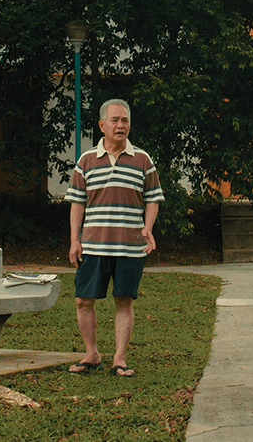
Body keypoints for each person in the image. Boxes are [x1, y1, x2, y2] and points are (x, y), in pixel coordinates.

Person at [65, 99, 165, 377]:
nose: (121, 125)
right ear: (102, 125)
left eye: (125, 121)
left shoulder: (143, 160)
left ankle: (119, 358)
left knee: (124, 301)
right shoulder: (86, 161)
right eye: (115, 120)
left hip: (130, 247)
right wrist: (75, 240)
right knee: (84, 300)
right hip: (93, 245)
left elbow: (153, 198)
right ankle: (91, 354)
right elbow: (76, 204)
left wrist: (148, 227)